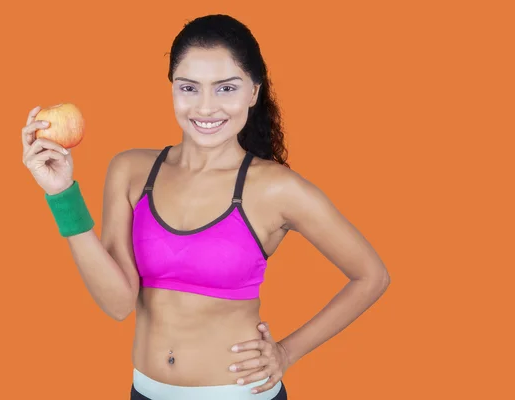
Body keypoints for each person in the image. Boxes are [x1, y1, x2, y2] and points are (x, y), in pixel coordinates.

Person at [22, 14, 390, 400]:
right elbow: (117, 303)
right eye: (189, 88)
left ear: (253, 92)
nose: (206, 107)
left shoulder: (277, 188)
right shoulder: (130, 170)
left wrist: (286, 352)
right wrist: (62, 195)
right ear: (173, 89)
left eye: (226, 88)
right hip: (145, 392)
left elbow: (372, 276)